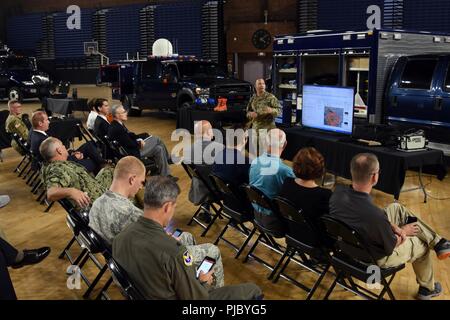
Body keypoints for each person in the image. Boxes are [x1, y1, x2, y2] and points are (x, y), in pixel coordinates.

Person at [113, 175, 263, 300]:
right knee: (253, 290)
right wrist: (204, 283)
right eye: (174, 207)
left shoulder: (120, 238)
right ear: (167, 207)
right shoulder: (175, 252)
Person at [89, 156, 225, 288]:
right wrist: (169, 239)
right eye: (142, 182)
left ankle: (191, 281)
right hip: (145, 271)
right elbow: (159, 245)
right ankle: (208, 293)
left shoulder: (97, 204)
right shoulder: (131, 214)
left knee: (187, 237)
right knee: (212, 251)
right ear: (132, 179)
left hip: (122, 269)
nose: (141, 187)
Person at [329, 153, 450, 300]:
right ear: (375, 177)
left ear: (352, 171)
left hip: (348, 247)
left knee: (396, 207)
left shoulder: (337, 193)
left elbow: (372, 218)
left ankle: (438, 242)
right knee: (421, 244)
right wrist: (403, 231)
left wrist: (392, 225)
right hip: (373, 258)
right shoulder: (374, 216)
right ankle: (427, 289)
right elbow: (391, 246)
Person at [39, 137, 114, 208]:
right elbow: (51, 193)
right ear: (59, 150)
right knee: (120, 171)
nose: (65, 147)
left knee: (109, 170)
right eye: (62, 145)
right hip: (98, 200)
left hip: (95, 188)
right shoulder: (57, 169)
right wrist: (71, 191)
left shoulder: (58, 164)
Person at [107, 105, 173, 178]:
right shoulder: (117, 128)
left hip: (130, 150)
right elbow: (129, 144)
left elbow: (129, 135)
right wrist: (138, 143)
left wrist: (138, 139)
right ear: (117, 115)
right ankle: (168, 159)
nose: (126, 113)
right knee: (157, 139)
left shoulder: (117, 124)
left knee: (159, 149)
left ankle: (166, 175)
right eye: (124, 112)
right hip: (132, 153)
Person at [249, 128, 295, 233]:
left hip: (256, 216)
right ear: (285, 144)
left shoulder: (255, 162)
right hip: (276, 223)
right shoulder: (286, 171)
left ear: (265, 142)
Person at [29, 111, 104, 174]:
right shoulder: (42, 140)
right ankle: (102, 169)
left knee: (89, 145)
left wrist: (71, 153)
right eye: (46, 120)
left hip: (64, 157)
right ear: (40, 123)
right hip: (66, 165)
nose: (49, 122)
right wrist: (74, 157)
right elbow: (57, 160)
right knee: (93, 161)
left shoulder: (34, 133)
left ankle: (102, 162)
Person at [278, 147, 331, 223]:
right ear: (320, 169)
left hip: (288, 228)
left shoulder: (287, 182)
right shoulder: (324, 194)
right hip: (311, 234)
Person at [246, 79, 281, 153]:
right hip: (255, 129)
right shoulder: (253, 98)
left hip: (267, 128)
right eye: (259, 84)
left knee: (266, 153)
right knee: (255, 153)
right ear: (255, 86)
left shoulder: (270, 97)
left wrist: (271, 110)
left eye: (263, 84)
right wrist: (250, 114)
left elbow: (279, 110)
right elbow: (247, 111)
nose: (262, 85)